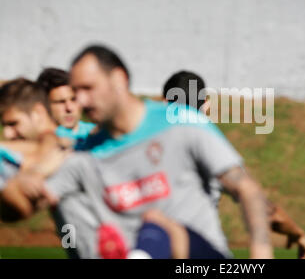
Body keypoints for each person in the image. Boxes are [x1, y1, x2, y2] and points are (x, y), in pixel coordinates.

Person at [11, 45, 274, 259]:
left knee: (158, 227)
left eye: (88, 89)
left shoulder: (181, 121)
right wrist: (25, 179)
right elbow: (19, 207)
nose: (80, 101)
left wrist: (261, 254)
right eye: (75, 92)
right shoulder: (85, 154)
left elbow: (246, 188)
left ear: (119, 79)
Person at [163, 70, 305, 258]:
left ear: (165, 103)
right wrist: (296, 232)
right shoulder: (208, 143)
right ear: (206, 103)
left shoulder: (143, 146)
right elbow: (264, 209)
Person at [0, 78, 99, 259]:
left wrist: (37, 171)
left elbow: (19, 208)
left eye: (13, 124)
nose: (8, 133)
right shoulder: (42, 152)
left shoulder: (72, 147)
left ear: (38, 112)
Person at [37, 67, 96, 144]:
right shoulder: (37, 141)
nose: (69, 108)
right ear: (44, 106)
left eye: (74, 99)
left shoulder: (98, 134)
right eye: (61, 102)